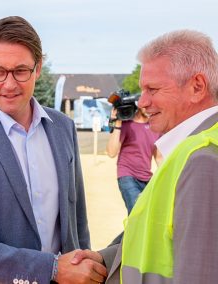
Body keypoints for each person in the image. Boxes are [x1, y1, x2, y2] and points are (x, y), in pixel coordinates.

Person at [0, 16, 107, 284]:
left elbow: (77, 222)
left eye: (20, 70)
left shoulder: (63, 128)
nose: (9, 84)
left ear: (38, 68)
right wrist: (52, 268)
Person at [73, 29, 218, 283]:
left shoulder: (203, 161)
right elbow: (155, 238)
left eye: (152, 89)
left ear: (197, 86)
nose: (141, 102)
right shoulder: (189, 149)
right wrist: (106, 259)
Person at [106, 107, 161, 214]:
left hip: (147, 178)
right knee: (137, 214)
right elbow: (111, 152)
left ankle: (128, 231)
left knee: (146, 216)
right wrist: (117, 123)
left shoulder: (155, 127)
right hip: (127, 176)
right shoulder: (127, 124)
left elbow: (158, 157)